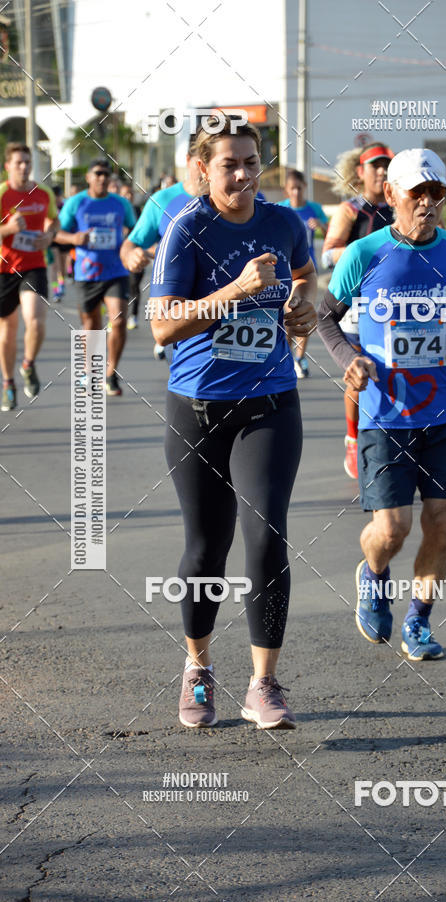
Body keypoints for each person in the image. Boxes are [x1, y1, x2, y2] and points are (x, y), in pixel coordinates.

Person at [148, 116, 317, 729]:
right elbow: (162, 324)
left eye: (251, 162)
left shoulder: (285, 223)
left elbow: (305, 280)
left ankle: (264, 683)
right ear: (202, 170)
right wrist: (238, 291)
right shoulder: (186, 230)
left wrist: (303, 308)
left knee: (267, 533)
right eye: (229, 164)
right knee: (206, 548)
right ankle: (198, 669)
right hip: (198, 408)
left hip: (271, 402)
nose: (243, 174)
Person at [318, 148, 446, 659]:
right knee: (392, 529)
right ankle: (373, 574)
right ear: (391, 194)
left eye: (436, 193)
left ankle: (418, 619)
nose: (428, 203)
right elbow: (326, 316)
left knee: (442, 521)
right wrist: (349, 357)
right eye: (417, 193)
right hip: (385, 411)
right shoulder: (365, 254)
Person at [321, 143, 395, 478]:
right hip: (356, 304)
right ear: (360, 172)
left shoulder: (400, 205)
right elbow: (328, 253)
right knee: (359, 375)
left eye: (386, 166)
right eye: (374, 166)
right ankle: (353, 437)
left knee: (395, 369)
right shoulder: (351, 210)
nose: (381, 172)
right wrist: (363, 253)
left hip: (395, 303)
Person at [55, 158, 137, 397]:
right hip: (87, 273)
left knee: (119, 320)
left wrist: (130, 243)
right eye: (97, 174)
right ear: (89, 177)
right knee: (92, 326)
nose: (102, 178)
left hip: (116, 271)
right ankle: (90, 371)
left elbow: (135, 230)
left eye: (106, 174)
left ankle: (110, 374)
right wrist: (73, 239)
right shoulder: (76, 203)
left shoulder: (121, 204)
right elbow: (56, 233)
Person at [120, 133, 204, 360]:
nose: (206, 168)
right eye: (201, 160)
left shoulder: (239, 201)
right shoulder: (163, 200)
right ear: (188, 159)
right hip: (178, 313)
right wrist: (132, 256)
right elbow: (130, 244)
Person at [0, 142, 59, 411]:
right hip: (4, 269)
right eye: (18, 163)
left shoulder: (42, 192)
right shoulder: (2, 194)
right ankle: (9, 384)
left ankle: (28, 364)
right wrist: (8, 228)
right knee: (7, 333)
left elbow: (54, 221)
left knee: (34, 320)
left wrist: (49, 235)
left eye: (27, 162)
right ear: (8, 167)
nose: (24, 167)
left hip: (34, 266)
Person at [279, 169, 328, 377]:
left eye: (300, 188)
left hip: (308, 271)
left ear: (304, 188)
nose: (296, 192)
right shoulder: (280, 209)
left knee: (306, 313)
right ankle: (288, 355)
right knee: (290, 314)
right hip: (286, 270)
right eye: (293, 189)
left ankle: (300, 356)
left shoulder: (314, 208)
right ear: (287, 190)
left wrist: (320, 226)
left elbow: (330, 233)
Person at [118, 183, 143, 330]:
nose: (128, 197)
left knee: (134, 285)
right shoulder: (117, 210)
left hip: (136, 254)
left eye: (130, 194)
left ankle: (133, 316)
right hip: (116, 258)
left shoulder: (140, 211)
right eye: (125, 194)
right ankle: (114, 316)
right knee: (118, 288)